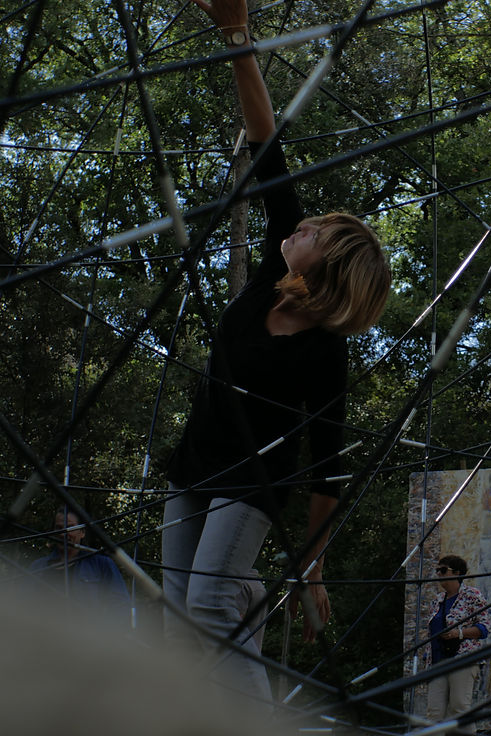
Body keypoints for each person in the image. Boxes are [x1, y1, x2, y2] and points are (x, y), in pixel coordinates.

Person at [162, 0, 391, 707]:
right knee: (182, 621)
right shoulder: (273, 269)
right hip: (195, 463)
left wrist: (311, 568)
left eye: (317, 229)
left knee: (206, 610)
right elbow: (267, 142)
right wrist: (238, 37)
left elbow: (328, 472)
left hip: (251, 488)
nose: (304, 224)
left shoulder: (323, 353)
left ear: (330, 267)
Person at [29, 508, 129, 622]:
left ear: (82, 532)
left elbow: (120, 606)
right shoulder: (38, 567)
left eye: (71, 527)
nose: (63, 533)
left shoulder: (101, 564)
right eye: (58, 528)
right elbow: (24, 605)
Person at [425, 555, 491, 722]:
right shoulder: (437, 601)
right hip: (438, 662)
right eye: (437, 571)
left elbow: (485, 627)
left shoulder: (472, 595)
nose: (439, 574)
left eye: (442, 570)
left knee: (459, 708)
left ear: (457, 573)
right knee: (434, 712)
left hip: (462, 658)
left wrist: (459, 633)